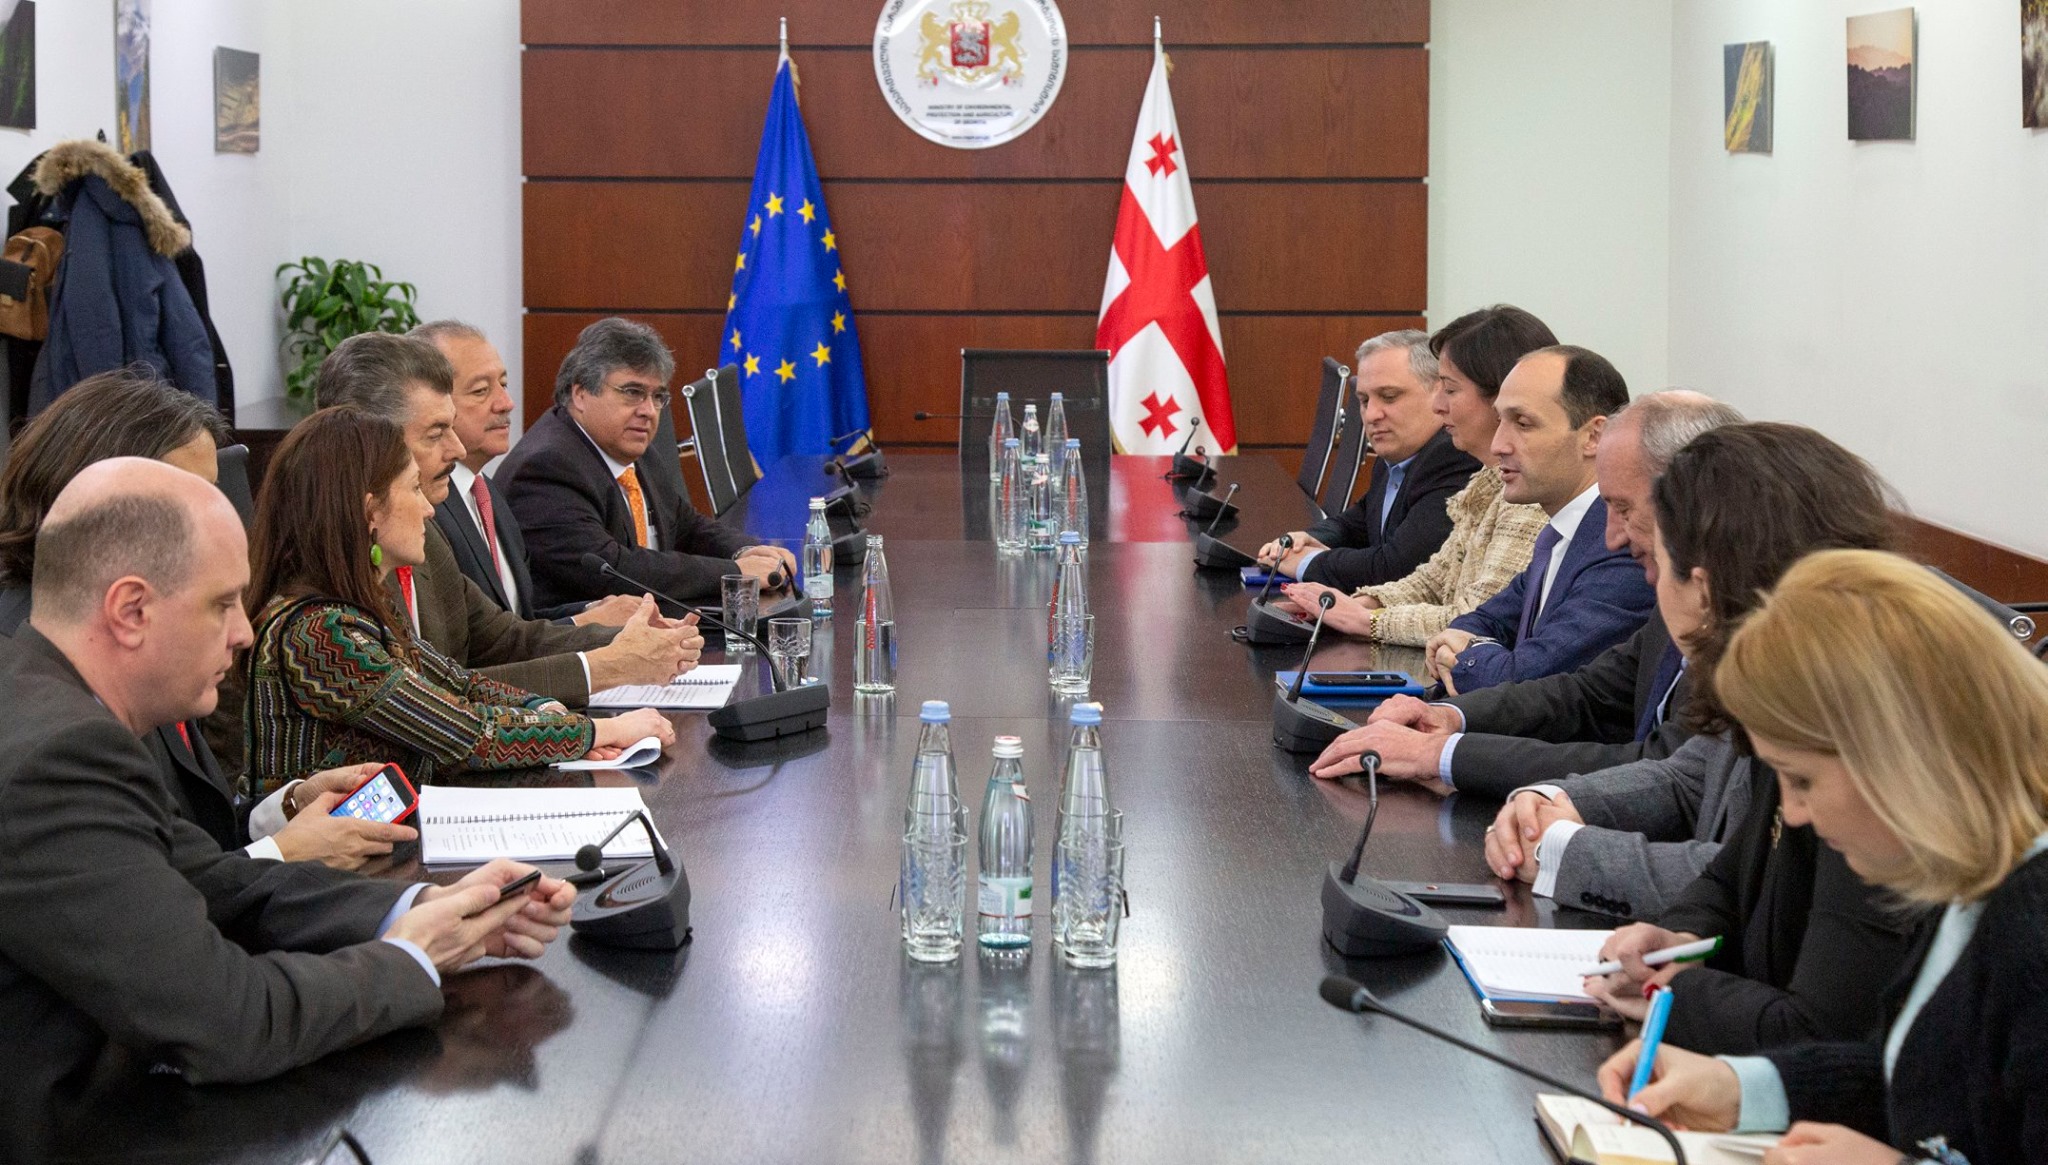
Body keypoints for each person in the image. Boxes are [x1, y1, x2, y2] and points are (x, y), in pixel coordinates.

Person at [0, 455, 576, 1101]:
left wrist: (423, 909)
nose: (244, 633)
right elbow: (227, 1017)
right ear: (131, 610)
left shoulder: (52, 706)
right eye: (222, 604)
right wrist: (411, 957)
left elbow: (217, 883)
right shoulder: (60, 758)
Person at [1596, 549, 2048, 1165]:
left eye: (1802, 780)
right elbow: (1918, 1080)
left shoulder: (2033, 925)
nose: (1795, 813)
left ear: (1901, 756)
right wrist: (1746, 1088)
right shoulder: (1976, 879)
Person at [1521, 426, 1918, 1053]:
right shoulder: (1794, 690)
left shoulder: (1866, 735)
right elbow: (1735, 873)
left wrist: (1671, 991)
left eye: (1660, 563)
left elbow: (1823, 1033)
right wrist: (1677, 939)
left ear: (1704, 589)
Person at [0, 369, 408, 868]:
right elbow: (149, 883)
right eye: (188, 494)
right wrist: (280, 854)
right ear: (104, 495)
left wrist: (285, 808)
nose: (215, 510)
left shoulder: (153, 628)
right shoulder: (41, 659)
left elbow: (188, 833)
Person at [1310, 392, 1745, 795]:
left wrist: (1440, 755)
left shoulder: (1736, 616)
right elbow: (1587, 692)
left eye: (1624, 508)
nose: (1612, 534)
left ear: (1691, 500)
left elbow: (1664, 769)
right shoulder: (1664, 580)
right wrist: (1449, 717)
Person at [243, 407, 674, 792]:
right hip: (332, 851)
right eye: (413, 490)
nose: (429, 510)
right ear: (371, 512)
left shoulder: (359, 608)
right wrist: (598, 731)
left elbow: (457, 684)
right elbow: (465, 734)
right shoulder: (320, 635)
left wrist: (548, 711)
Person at [314, 331, 699, 708]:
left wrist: (627, 642)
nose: (456, 449)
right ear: (368, 445)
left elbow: (505, 638)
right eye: (435, 434)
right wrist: (605, 680)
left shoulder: (428, 532)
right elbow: (436, 697)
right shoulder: (330, 582)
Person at [1278, 305, 1553, 645]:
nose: (1438, 405)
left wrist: (1369, 621)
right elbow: (1433, 581)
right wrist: (1358, 605)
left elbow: (1479, 618)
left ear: (1500, 396)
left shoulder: (1532, 495)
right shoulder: (1488, 478)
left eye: (1449, 390)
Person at [497, 316, 795, 611]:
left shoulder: (632, 447)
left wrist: (748, 551)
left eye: (658, 396)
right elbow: (616, 570)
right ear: (581, 394)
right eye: (633, 393)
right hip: (588, 633)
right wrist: (736, 572)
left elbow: (686, 525)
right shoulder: (546, 469)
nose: (649, 411)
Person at [1420, 344, 1653, 693]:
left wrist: (1467, 653)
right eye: (1500, 421)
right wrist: (1469, 641)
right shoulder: (1559, 534)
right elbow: (1483, 620)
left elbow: (1524, 677)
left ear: (1594, 436)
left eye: (1523, 424)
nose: (1498, 445)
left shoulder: (1620, 544)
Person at [413, 319, 642, 626]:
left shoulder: (487, 493)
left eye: (503, 385)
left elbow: (519, 621)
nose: (506, 403)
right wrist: (582, 625)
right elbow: (471, 643)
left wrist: (591, 613)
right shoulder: (427, 506)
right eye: (481, 391)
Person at [1256, 330, 1479, 590]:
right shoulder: (1398, 453)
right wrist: (1303, 541)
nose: (1371, 415)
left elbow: (1397, 568)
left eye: (1389, 397)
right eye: (1364, 400)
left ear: (1439, 393)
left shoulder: (1454, 458)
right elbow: (1358, 522)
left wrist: (1307, 562)